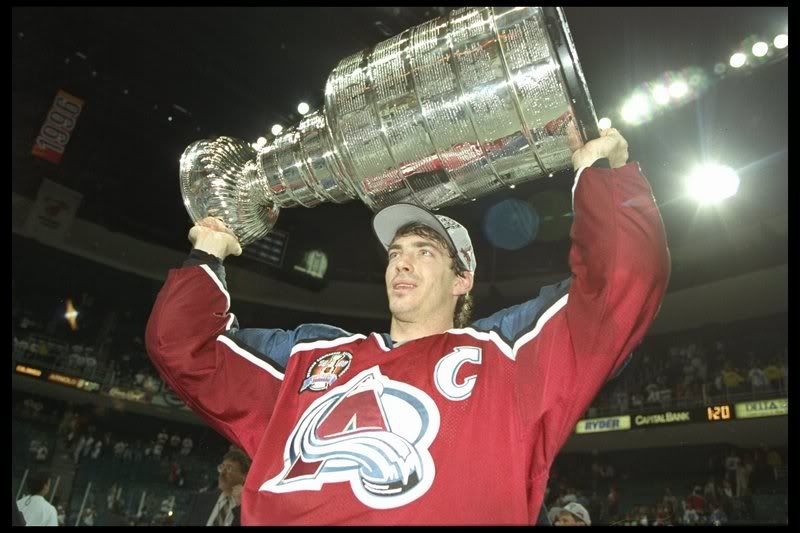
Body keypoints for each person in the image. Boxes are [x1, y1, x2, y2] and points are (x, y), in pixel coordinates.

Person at [146, 129, 670, 524]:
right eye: (396, 253)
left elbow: (621, 283)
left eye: (424, 251)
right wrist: (207, 256)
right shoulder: (308, 358)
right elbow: (182, 347)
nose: (402, 263)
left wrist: (603, 175)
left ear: (462, 280)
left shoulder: (511, 356)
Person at [182, 448, 250, 526]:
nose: (222, 474)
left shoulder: (247, 512)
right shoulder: (200, 500)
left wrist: (241, 506)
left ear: (244, 476)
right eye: (222, 467)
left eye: (229, 468)